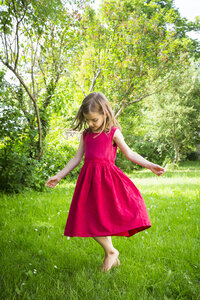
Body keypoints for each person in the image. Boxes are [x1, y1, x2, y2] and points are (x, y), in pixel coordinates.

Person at [45, 92, 165, 272]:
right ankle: (111, 252)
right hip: (89, 182)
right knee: (88, 217)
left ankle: (110, 253)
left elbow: (130, 153)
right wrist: (59, 175)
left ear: (105, 114)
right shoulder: (86, 135)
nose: (91, 124)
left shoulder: (113, 133)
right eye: (88, 120)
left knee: (104, 217)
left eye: (94, 120)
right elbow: (76, 158)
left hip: (108, 181)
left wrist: (150, 165)